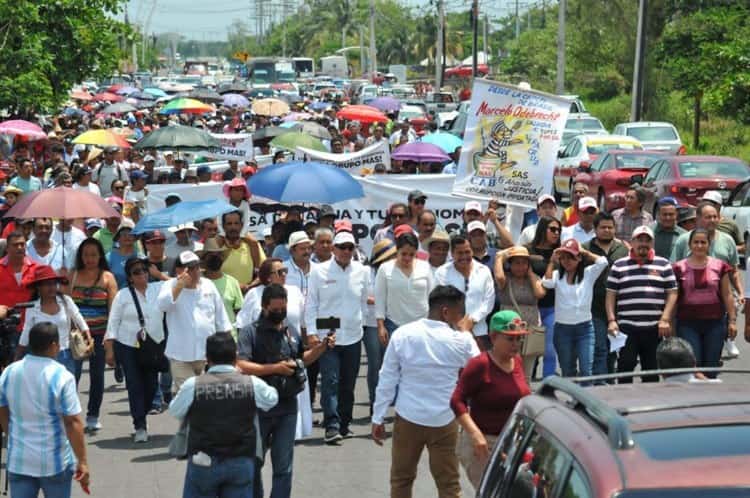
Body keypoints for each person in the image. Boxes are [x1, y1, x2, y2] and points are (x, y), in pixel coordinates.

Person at [372, 285, 480, 498]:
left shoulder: (403, 334)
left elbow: (387, 378)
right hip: (446, 420)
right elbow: (479, 372)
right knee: (449, 484)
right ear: (446, 312)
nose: (462, 319)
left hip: (408, 418)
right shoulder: (462, 340)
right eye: (460, 313)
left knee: (401, 480)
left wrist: (378, 417)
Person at [237, 284, 329, 498]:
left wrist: (321, 348)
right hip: (258, 409)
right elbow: (241, 364)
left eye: (283, 309)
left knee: (284, 467)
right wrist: (274, 368)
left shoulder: (289, 330)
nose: (280, 313)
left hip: (287, 407)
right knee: (253, 464)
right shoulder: (250, 332)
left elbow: (300, 360)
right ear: (264, 306)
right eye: (275, 310)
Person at [169, 332, 278, 498]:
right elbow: (272, 399)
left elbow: (175, 410)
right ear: (236, 356)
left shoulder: (194, 385)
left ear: (207, 358)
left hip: (203, 460)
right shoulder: (250, 383)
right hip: (240, 460)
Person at [0, 322, 90, 498]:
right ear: (54, 346)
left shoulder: (10, 372)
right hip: (54, 463)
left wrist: (10, 432)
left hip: (19, 461)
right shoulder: (62, 376)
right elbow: (73, 423)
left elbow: (2, 407)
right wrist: (83, 462)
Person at [450, 310, 531, 489]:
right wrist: (475, 434)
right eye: (510, 339)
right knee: (491, 492)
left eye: (519, 339)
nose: (515, 344)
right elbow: (457, 400)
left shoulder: (517, 361)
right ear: (493, 337)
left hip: (509, 443)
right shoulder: (480, 364)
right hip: (482, 446)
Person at [305, 230, 369, 444]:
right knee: (330, 381)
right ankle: (331, 425)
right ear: (333, 249)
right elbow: (312, 303)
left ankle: (344, 423)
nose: (346, 251)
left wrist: (360, 323)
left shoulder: (362, 271)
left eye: (350, 247)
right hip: (328, 333)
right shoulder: (319, 271)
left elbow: (362, 301)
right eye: (342, 247)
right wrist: (312, 332)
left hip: (353, 333)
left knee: (348, 383)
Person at [104, 257, 165, 442]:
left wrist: (158, 274)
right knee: (134, 385)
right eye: (137, 272)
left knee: (152, 385)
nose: (142, 275)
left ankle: (143, 412)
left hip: (154, 343)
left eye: (144, 270)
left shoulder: (158, 288)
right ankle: (140, 425)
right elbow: (113, 322)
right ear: (130, 277)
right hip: (128, 344)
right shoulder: (123, 295)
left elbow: (179, 283)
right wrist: (109, 349)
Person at [607, 226, 678, 383]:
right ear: (632, 242)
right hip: (627, 327)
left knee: (651, 370)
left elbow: (672, 293)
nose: (643, 243)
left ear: (652, 243)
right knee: (625, 366)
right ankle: (623, 405)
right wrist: (612, 320)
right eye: (640, 239)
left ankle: (649, 405)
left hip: (654, 328)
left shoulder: (664, 264)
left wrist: (665, 319)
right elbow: (611, 295)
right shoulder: (619, 265)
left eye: (647, 240)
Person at [158, 251, 233, 392]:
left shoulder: (208, 285)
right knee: (191, 395)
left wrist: (229, 347)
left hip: (208, 355)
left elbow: (221, 318)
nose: (195, 272)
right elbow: (162, 306)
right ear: (179, 270)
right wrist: (179, 286)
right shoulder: (169, 285)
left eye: (197, 267)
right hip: (180, 356)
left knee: (209, 395)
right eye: (190, 268)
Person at [67, 238, 118, 431]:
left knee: (97, 377)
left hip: (99, 335)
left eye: (94, 255)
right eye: (86, 254)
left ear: (100, 256)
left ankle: (93, 415)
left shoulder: (107, 278)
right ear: (80, 256)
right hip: (76, 336)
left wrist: (110, 340)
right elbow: (66, 305)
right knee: (73, 375)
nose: (90, 259)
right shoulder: (72, 276)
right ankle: (72, 414)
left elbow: (113, 311)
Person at [672, 228, 735, 377]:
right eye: (696, 242)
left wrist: (732, 321)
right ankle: (694, 399)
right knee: (693, 364)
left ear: (709, 244)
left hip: (715, 323)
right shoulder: (678, 268)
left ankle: (709, 398)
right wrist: (668, 321)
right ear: (689, 244)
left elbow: (727, 294)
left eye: (703, 242)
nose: (699, 246)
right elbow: (674, 296)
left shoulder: (720, 266)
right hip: (687, 323)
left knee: (711, 365)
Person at [542, 238, 607, 379]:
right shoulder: (557, 275)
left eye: (571, 257)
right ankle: (571, 400)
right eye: (563, 258)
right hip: (563, 330)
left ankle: (584, 400)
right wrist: (552, 262)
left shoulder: (588, 273)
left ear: (578, 258)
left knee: (586, 371)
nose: (567, 261)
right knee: (568, 371)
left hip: (585, 329)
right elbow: (546, 283)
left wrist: (584, 252)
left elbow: (603, 262)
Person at [17, 264, 89, 377]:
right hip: (40, 358)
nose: (51, 287)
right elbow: (26, 333)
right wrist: (17, 356)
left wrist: (87, 334)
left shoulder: (66, 301)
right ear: (38, 287)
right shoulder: (32, 308)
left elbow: (78, 318)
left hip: (65, 354)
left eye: (54, 283)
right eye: (46, 284)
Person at [583, 212, 629, 378]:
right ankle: (600, 382)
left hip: (619, 306)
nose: (607, 230)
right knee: (599, 347)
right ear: (595, 229)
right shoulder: (585, 249)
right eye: (603, 227)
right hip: (593, 306)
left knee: (614, 348)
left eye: (610, 227)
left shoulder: (623, 249)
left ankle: (609, 379)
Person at [434, 235, 495, 349]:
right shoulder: (441, 273)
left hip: (479, 332)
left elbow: (489, 301)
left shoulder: (484, 271)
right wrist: (458, 323)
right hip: (450, 333)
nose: (464, 256)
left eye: (467, 252)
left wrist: (473, 320)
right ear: (452, 254)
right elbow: (440, 302)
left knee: (478, 366)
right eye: (459, 253)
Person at [494, 246, 546, 379]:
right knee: (509, 369)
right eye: (516, 263)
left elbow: (539, 293)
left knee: (527, 372)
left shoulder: (534, 278)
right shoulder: (506, 280)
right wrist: (500, 257)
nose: (520, 266)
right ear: (510, 264)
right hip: (509, 331)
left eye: (524, 263)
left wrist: (530, 274)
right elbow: (499, 277)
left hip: (530, 330)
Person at [375, 231, 434, 341]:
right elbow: (380, 300)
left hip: (422, 325)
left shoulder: (425, 267)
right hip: (394, 325)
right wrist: (381, 327)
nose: (407, 258)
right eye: (404, 254)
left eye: (411, 254)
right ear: (397, 250)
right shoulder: (385, 268)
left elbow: (432, 297)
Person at [525, 216, 562, 378]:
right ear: (542, 229)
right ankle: (528, 380)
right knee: (529, 349)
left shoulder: (560, 253)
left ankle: (548, 382)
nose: (556, 233)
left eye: (559, 230)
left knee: (549, 349)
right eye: (552, 229)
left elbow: (550, 282)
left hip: (553, 306)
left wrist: (552, 262)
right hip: (531, 306)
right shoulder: (527, 250)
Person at [199, 238, 244, 339]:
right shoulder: (197, 282)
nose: (215, 258)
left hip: (229, 339)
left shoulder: (232, 282)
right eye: (211, 255)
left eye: (218, 255)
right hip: (204, 340)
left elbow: (239, 314)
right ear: (204, 259)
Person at [0, 231, 38, 340]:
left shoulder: (36, 269)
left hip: (29, 327)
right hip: (3, 327)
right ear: (7, 248)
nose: (20, 247)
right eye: (15, 245)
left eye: (22, 244)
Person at [219, 210, 266, 293]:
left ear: (241, 225)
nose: (233, 227)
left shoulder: (253, 245)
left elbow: (264, 272)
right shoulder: (217, 247)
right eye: (229, 224)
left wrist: (248, 287)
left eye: (236, 223)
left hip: (247, 296)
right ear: (223, 226)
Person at [656, 337, 721, 383]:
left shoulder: (651, 395)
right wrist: (706, 382)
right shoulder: (718, 386)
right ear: (694, 362)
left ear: (660, 368)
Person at [107, 218, 142, 289]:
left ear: (135, 238)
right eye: (123, 234)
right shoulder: (109, 258)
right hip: (117, 297)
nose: (127, 236)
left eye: (130, 233)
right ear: (118, 238)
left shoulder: (141, 257)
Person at [284, 231, 315, 296]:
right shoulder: (283, 269)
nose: (307, 251)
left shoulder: (317, 268)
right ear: (292, 251)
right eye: (302, 249)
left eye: (309, 248)